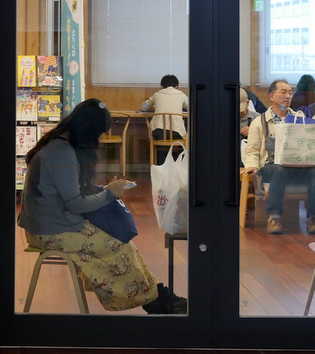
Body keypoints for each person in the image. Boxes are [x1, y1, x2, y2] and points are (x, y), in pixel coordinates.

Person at [18, 99, 187, 314]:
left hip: (48, 225)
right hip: (51, 231)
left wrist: (105, 190)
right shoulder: (61, 154)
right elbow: (76, 204)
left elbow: (69, 192)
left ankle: (156, 297)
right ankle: (157, 299)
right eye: (98, 133)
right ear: (87, 129)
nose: (99, 140)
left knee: (122, 244)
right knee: (121, 245)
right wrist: (109, 194)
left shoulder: (57, 146)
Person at [241, 79, 315, 235]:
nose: (288, 96)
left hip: (296, 166)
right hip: (270, 167)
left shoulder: (299, 118)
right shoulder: (259, 122)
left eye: (290, 93)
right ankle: (274, 217)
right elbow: (252, 151)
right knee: (279, 170)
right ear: (271, 96)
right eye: (283, 92)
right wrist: (252, 165)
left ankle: (313, 218)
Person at [142, 74, 188, 162]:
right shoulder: (181, 95)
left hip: (158, 133)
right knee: (184, 139)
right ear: (176, 86)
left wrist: (154, 106)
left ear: (162, 86)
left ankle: (160, 164)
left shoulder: (157, 94)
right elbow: (191, 106)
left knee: (160, 141)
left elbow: (144, 106)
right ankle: (178, 163)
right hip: (176, 133)